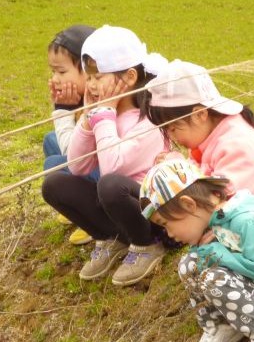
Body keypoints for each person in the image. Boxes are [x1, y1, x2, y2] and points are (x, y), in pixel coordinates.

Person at [41, 25, 169, 286]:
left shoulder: (147, 121)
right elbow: (77, 166)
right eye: (89, 78)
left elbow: (112, 170)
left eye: (98, 77)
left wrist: (104, 116)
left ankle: (147, 246)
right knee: (54, 182)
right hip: (118, 211)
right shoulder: (105, 115)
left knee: (110, 185)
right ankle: (112, 239)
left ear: (130, 77)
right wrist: (88, 119)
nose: (92, 85)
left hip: (153, 217)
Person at [139, 159, 254, 342]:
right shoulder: (213, 223)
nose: (169, 233)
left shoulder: (247, 219)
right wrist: (212, 252)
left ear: (189, 205)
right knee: (189, 264)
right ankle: (223, 325)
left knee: (213, 278)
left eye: (166, 224)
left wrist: (218, 254)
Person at [144, 60, 254, 240]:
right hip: (246, 220)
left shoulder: (236, 142)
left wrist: (176, 170)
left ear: (200, 114)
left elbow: (215, 196)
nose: (172, 137)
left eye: (173, 128)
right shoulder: (207, 138)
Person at [44, 24, 98, 245]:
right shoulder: (87, 95)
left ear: (88, 71)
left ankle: (93, 217)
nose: (55, 78)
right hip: (92, 163)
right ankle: (78, 203)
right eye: (53, 71)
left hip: (107, 176)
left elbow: (73, 154)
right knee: (50, 139)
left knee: (54, 164)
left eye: (62, 72)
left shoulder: (99, 101)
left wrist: (63, 111)